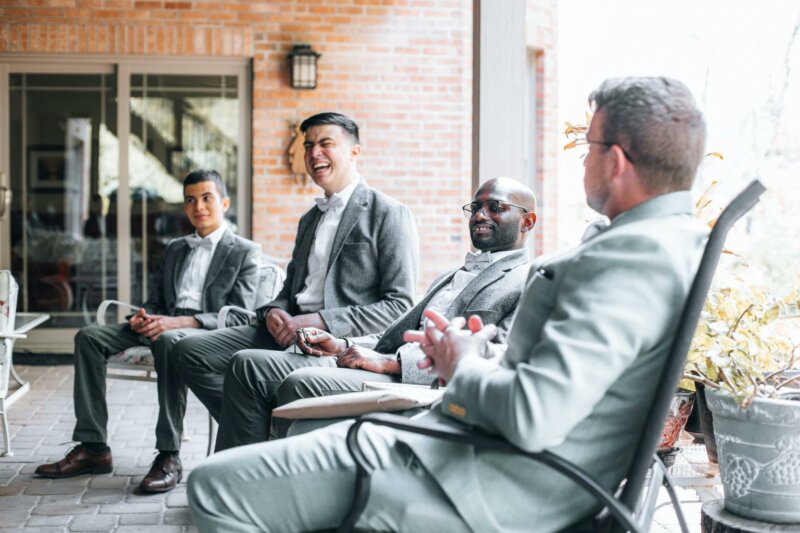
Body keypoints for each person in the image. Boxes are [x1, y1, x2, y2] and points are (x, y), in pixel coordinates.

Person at [187, 77, 710, 532]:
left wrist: (462, 362)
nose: (585, 160)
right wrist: (471, 353)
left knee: (214, 487)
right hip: (467, 443)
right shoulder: (663, 243)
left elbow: (533, 414)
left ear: (615, 162)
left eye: (590, 146)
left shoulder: (629, 258)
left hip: (477, 476)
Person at [214, 176, 537, 450]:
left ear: (527, 221)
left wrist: (394, 363)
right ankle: (229, 485)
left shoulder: (528, 280)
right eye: (476, 207)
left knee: (301, 381)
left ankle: (286, 496)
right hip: (380, 361)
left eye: (495, 207)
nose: (480, 214)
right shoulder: (452, 274)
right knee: (247, 364)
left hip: (418, 384)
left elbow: (500, 358)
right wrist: (340, 345)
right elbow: (395, 334)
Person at [172, 112, 419, 434]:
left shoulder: (389, 213)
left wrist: (323, 321)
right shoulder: (308, 220)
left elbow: (399, 306)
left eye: (326, 143)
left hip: (332, 340)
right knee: (188, 351)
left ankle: (254, 434)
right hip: (285, 329)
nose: (314, 153)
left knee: (245, 367)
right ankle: (260, 427)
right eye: (309, 145)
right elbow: (290, 290)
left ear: (355, 152)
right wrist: (274, 309)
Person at [36, 169, 261, 495]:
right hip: (162, 323)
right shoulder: (175, 248)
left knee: (169, 341)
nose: (198, 206)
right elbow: (156, 301)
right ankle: (94, 447)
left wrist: (181, 323)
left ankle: (168, 454)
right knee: (88, 337)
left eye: (207, 198)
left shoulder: (244, 250)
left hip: (203, 333)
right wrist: (143, 317)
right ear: (184, 208)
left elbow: (240, 315)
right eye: (190, 200)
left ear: (224, 202)